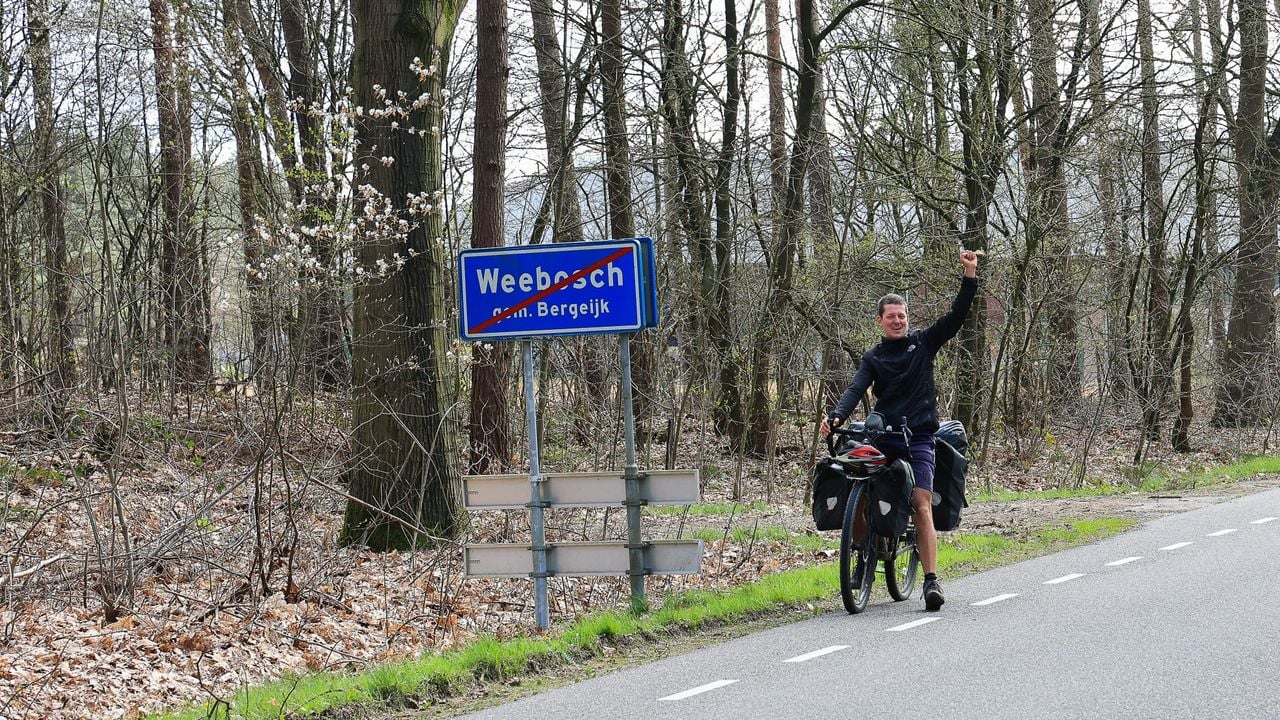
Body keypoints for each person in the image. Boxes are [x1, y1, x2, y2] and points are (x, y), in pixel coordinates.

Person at [820, 249, 980, 611]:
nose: (897, 321)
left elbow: (956, 318)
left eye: (902, 316)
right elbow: (855, 388)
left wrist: (969, 276)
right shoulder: (874, 358)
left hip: (920, 436)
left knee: (921, 503)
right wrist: (837, 417)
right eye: (891, 316)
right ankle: (863, 559)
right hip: (883, 437)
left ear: (908, 319)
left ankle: (931, 581)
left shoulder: (923, 343)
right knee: (855, 490)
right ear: (879, 321)